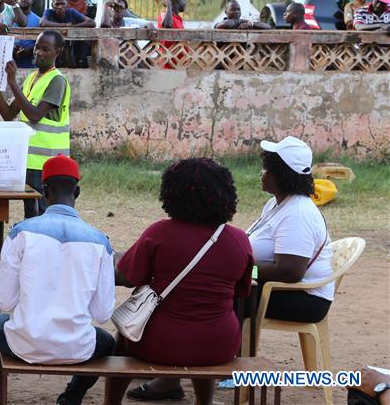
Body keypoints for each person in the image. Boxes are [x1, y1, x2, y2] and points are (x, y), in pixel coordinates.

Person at [0, 155, 115, 405]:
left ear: (44, 191)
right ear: (77, 191)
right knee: (107, 343)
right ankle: (71, 399)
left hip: (24, 343)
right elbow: (102, 313)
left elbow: (4, 301)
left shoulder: (21, 233)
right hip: (77, 347)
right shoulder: (100, 242)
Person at [113, 158, 253, 405]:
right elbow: (241, 291)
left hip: (160, 342)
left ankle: (110, 402)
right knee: (203, 332)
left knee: (123, 337)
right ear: (225, 194)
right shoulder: (239, 240)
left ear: (171, 193)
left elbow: (128, 277)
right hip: (219, 344)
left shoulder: (159, 232)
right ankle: (204, 401)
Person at [0, 29, 69, 217]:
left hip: (48, 163)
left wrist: (13, 83)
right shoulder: (32, 79)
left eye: (45, 49)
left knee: (44, 213)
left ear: (58, 52)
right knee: (31, 212)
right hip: (28, 161)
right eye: (37, 47)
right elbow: (8, 114)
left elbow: (35, 115)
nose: (38, 52)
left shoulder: (57, 81)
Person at [249, 137, 334, 322]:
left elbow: (289, 272)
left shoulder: (298, 214)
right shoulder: (276, 204)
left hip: (304, 298)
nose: (262, 174)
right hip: (278, 288)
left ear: (280, 176)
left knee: (221, 294)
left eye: (266, 170)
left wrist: (246, 271)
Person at [41, 0, 96, 68]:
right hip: (54, 49)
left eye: (63, 4)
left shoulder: (71, 12)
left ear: (66, 4)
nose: (60, 7)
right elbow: (42, 23)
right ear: (52, 5)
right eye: (57, 4)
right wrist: (65, 25)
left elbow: (92, 22)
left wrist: (73, 27)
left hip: (72, 49)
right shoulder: (49, 12)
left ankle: (81, 63)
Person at [13, 0, 42, 68]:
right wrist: (12, 47)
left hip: (30, 64)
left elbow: (41, 43)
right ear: (16, 0)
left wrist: (30, 49)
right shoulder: (10, 16)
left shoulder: (39, 20)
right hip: (11, 63)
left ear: (32, 0)